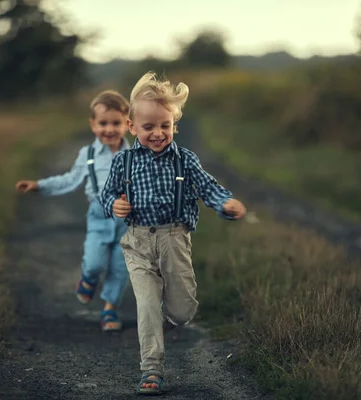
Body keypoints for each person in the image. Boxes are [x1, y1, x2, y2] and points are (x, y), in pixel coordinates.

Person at [100, 72, 247, 395]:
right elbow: (106, 194)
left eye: (164, 126)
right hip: (137, 242)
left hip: (174, 240)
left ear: (173, 126)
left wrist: (226, 204)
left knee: (183, 311)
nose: (157, 133)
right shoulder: (123, 162)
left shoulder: (185, 161)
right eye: (148, 126)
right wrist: (115, 205)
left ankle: (160, 323)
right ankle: (151, 370)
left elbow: (208, 188)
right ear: (132, 126)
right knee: (148, 304)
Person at [15, 90, 131, 332]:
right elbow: (70, 179)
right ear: (92, 124)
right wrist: (39, 185)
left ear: (127, 124)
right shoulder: (87, 155)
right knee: (94, 264)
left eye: (116, 123)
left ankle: (110, 309)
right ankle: (88, 279)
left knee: (121, 268)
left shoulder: (135, 155)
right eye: (103, 123)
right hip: (99, 217)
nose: (109, 129)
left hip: (128, 222)